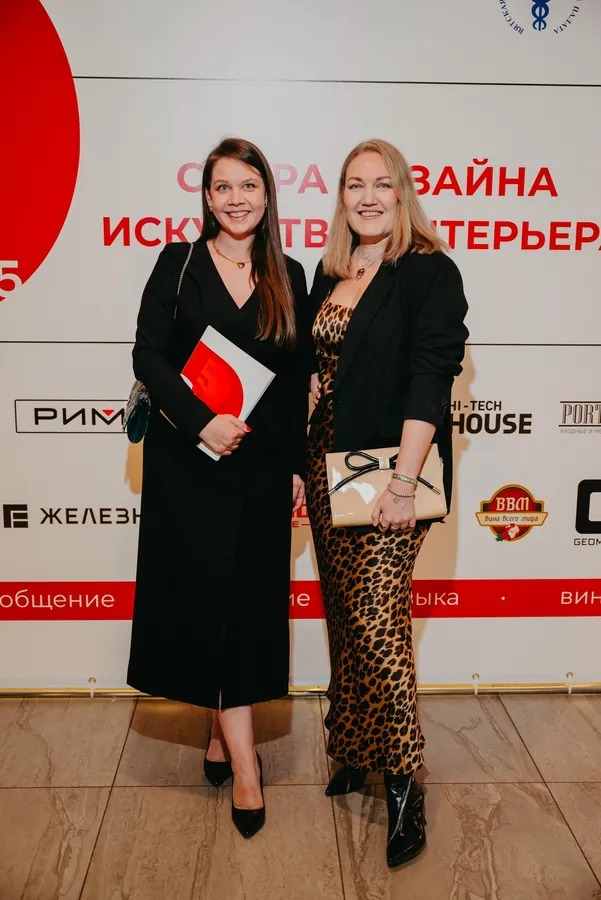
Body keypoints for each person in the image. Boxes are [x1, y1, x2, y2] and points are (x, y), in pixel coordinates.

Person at [127, 137, 310, 839]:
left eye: (248, 186)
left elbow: (292, 382)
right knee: (206, 601)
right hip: (188, 465)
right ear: (206, 196)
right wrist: (202, 420)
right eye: (223, 187)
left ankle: (225, 741)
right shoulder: (177, 263)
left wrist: (294, 467)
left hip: (260, 470)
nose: (236, 199)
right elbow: (148, 354)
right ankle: (244, 763)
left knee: (249, 607)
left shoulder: (288, 273)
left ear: (267, 194)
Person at [305, 139, 468, 868]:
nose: (367, 197)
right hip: (324, 468)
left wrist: (404, 483)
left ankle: (404, 783)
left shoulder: (429, 271)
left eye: (381, 184)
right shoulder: (331, 271)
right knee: (344, 616)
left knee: (378, 626)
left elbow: (430, 376)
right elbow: (317, 367)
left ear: (402, 193)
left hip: (389, 475)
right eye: (354, 184)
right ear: (340, 196)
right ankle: (352, 748)